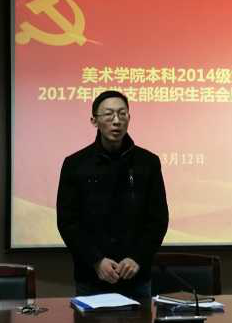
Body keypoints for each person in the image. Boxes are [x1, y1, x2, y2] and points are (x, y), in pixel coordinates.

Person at [57, 90, 169, 299]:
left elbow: (158, 220)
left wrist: (137, 258)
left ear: (129, 118)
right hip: (91, 276)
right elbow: (68, 222)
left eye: (122, 114)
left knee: (140, 322)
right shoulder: (75, 164)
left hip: (136, 276)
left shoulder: (148, 162)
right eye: (109, 114)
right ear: (94, 120)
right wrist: (96, 261)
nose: (116, 121)